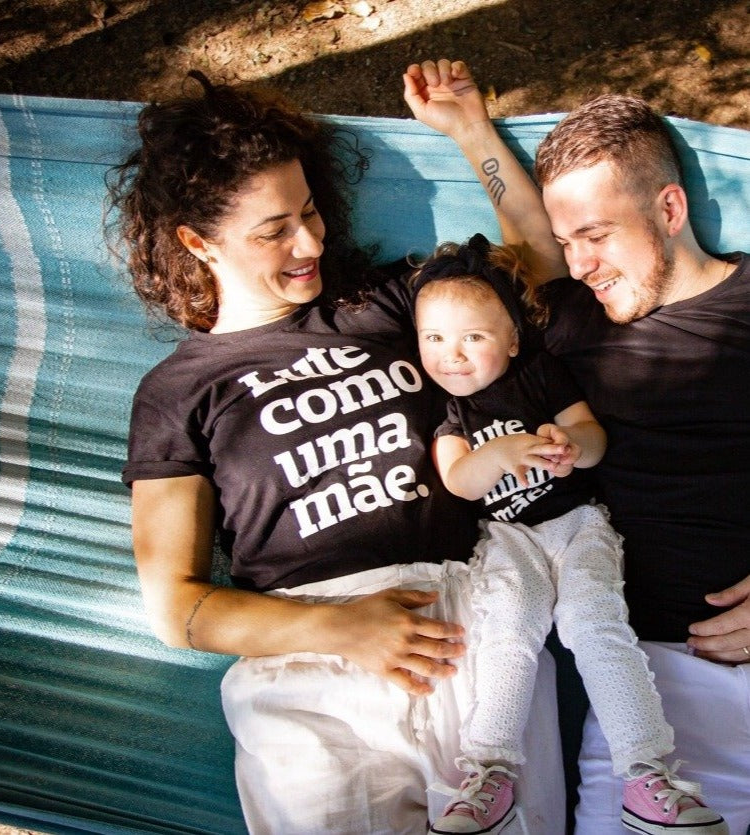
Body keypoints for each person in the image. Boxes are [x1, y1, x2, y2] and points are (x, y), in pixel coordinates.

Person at [108, 59, 567, 834]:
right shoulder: (177, 390)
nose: (309, 240)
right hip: (308, 665)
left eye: (310, 211)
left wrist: (470, 131)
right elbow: (177, 607)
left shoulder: (383, 305)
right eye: (274, 230)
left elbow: (544, 270)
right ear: (197, 241)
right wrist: (340, 626)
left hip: (473, 631)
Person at [409, 233, 726, 835]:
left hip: (579, 524)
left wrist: (572, 446)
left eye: (472, 337)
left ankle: (647, 773)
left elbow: (592, 435)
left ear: (510, 338)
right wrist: (499, 453)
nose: (451, 355)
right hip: (507, 540)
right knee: (508, 629)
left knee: (596, 624)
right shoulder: (448, 410)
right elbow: (459, 480)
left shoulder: (539, 375)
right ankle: (489, 772)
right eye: (434, 339)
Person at [532, 94, 750, 833]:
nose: (579, 263)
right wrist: (469, 131)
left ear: (668, 207)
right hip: (656, 700)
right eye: (566, 240)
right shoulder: (570, 320)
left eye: (595, 234)